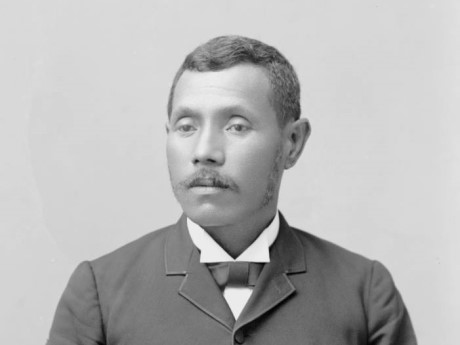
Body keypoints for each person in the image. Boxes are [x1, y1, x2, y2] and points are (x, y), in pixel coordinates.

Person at [47, 35, 417, 345]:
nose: (204, 152)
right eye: (186, 126)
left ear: (292, 142)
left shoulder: (366, 293)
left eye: (237, 126)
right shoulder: (98, 291)